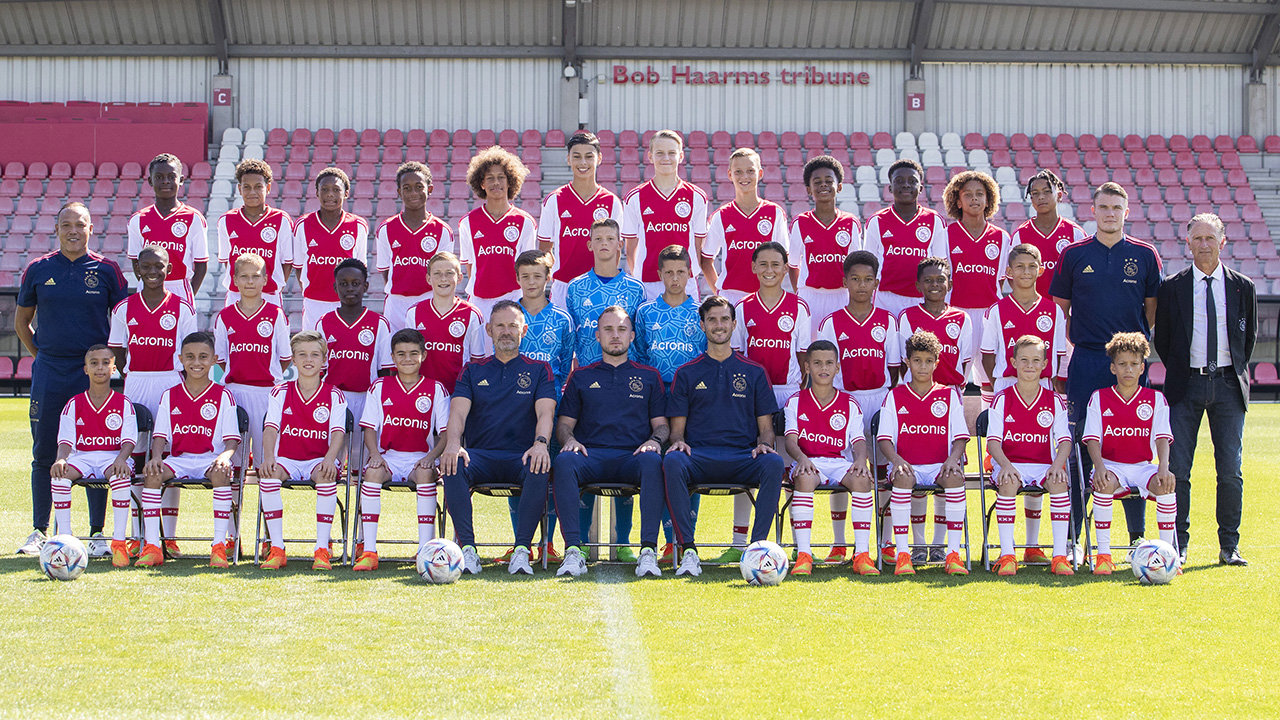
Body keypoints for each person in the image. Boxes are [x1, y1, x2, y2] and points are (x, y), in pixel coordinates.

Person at [1050, 181, 1162, 548]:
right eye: (1104, 207)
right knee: (1081, 443)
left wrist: (1130, 352)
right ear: (1093, 211)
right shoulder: (1074, 254)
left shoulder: (1145, 255)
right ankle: (1073, 538)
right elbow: (1059, 312)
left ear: (1126, 212)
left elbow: (1151, 311)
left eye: (1116, 208)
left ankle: (1136, 538)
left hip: (1129, 361)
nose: (1110, 213)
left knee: (1132, 444)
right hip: (1087, 359)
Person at [15, 202, 129, 556]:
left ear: (91, 228)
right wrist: (43, 356)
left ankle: (96, 533)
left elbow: (123, 321)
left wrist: (106, 364)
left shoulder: (107, 270)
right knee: (44, 450)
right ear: (57, 229)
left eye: (80, 225)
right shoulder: (38, 269)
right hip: (51, 371)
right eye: (67, 225)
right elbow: (22, 323)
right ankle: (39, 530)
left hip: (93, 374)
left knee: (99, 449)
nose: (73, 231)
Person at [1154, 213, 1257, 566]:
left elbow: (1248, 337)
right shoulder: (1172, 287)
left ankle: (1229, 545)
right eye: (1197, 238)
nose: (1204, 245)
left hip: (1228, 385)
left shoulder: (1243, 286)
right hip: (1185, 385)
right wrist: (1185, 370)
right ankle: (1178, 544)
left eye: (1210, 238)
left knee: (1230, 470)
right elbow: (1164, 340)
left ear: (1222, 242)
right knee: (1179, 469)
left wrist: (1229, 369)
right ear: (1187, 243)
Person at [662, 296, 785, 577]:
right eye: (712, 320)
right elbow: (677, 431)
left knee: (773, 462)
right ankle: (688, 550)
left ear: (734, 324)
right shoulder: (687, 372)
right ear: (702, 325)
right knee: (672, 460)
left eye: (724, 319)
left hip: (742, 457)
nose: (719, 325)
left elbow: (766, 428)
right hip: (700, 457)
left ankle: (757, 551)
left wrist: (764, 445)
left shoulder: (754, 372)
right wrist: (678, 441)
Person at [439, 301, 557, 576]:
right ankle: (468, 550)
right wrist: (453, 444)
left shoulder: (540, 369)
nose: (506, 331)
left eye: (512, 326)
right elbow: (457, 413)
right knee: (453, 463)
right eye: (500, 326)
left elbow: (546, 412)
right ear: (489, 330)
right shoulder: (472, 369)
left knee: (540, 464)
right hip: (480, 456)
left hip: (521, 456)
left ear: (523, 331)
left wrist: (540, 444)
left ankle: (522, 550)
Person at [552, 306, 668, 578]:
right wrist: (569, 440)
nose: (615, 335)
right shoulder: (581, 376)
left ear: (632, 336)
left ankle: (648, 551)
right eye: (608, 329)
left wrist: (654, 441)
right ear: (597, 335)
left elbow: (662, 425)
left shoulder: (649, 376)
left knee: (653, 461)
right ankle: (573, 550)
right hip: (591, 456)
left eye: (621, 329)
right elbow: (564, 425)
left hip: (633, 457)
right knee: (565, 460)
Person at [108, 244, 197, 557]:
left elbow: (190, 354)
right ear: (136, 269)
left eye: (159, 266)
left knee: (167, 458)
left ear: (169, 269)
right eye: (145, 266)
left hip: (170, 382)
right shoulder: (123, 309)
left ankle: (168, 536)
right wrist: (132, 373)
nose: (152, 272)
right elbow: (117, 350)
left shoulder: (183, 308)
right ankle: (137, 534)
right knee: (135, 457)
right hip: (136, 383)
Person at [565, 218, 646, 558]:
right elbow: (571, 338)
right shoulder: (575, 288)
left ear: (619, 245)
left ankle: (623, 542)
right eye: (597, 238)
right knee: (584, 456)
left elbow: (639, 339)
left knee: (626, 454)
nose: (603, 244)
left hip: (625, 383)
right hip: (587, 384)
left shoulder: (636, 288)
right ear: (589, 244)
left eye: (610, 238)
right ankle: (582, 542)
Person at [814, 250, 901, 563]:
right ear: (845, 282)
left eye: (868, 280)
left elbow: (894, 368)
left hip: (878, 399)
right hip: (843, 402)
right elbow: (825, 367)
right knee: (843, 468)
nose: (861, 285)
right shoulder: (831, 322)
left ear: (876, 283)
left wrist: (883, 399)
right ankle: (840, 543)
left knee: (882, 471)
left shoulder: (888, 321)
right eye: (855, 279)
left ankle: (886, 542)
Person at [725, 241, 809, 561]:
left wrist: (798, 398)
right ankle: (739, 542)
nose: (770, 270)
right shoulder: (743, 307)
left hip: (787, 393)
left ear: (786, 268)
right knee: (751, 464)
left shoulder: (799, 307)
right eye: (763, 264)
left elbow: (803, 358)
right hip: (751, 396)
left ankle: (792, 543)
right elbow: (737, 356)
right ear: (753, 267)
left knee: (788, 469)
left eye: (776, 264)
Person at [138, 332, 241, 568]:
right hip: (179, 459)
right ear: (180, 359)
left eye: (203, 357)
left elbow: (232, 441)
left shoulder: (224, 395)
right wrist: (156, 457)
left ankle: (218, 546)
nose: (196, 362)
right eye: (190, 357)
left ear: (213, 360)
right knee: (152, 473)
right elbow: (160, 436)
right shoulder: (170, 395)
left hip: (211, 459)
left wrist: (224, 457)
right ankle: (153, 546)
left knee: (221, 472)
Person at [633, 244, 707, 561]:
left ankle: (683, 539)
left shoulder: (701, 312)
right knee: (658, 468)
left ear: (690, 274)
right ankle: (665, 541)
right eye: (669, 272)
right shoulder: (646, 313)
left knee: (684, 465)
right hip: (655, 397)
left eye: (681, 272)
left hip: (692, 400)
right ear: (659, 274)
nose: (675, 278)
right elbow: (639, 355)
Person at [1082, 332, 1177, 576]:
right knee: (1103, 484)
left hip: (1143, 466)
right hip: (1111, 465)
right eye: (1122, 364)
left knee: (1166, 484)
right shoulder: (1099, 398)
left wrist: (1163, 467)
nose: (1128, 369)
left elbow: (1162, 437)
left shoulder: (1156, 399)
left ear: (1142, 368)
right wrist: (1099, 467)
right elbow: (1092, 439)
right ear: (1113, 367)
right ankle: (1104, 556)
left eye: (1134, 364)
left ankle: (1168, 556)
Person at [355, 329, 450, 571]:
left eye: (413, 353)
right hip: (389, 457)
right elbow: (369, 429)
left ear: (423, 355)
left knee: (425, 474)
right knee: (372, 472)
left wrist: (430, 457)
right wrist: (375, 455)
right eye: (401, 354)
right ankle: (369, 551)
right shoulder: (379, 386)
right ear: (393, 358)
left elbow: (445, 435)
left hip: (420, 458)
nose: (407, 359)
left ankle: (425, 551)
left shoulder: (436, 389)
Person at [877, 330, 970, 576]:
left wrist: (952, 460)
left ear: (936, 363)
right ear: (907, 362)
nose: (922, 366)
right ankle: (903, 554)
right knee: (902, 478)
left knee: (955, 477)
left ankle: (952, 554)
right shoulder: (894, 396)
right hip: (907, 465)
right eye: (917, 360)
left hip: (939, 464)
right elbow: (884, 439)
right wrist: (897, 460)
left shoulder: (949, 395)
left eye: (928, 361)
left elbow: (961, 437)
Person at [782, 340, 876, 576]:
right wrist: (802, 458)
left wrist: (860, 460)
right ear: (807, 367)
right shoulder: (795, 401)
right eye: (817, 363)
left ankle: (862, 555)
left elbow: (858, 441)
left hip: (838, 463)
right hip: (809, 461)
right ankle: (804, 555)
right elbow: (791, 441)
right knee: (804, 478)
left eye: (828, 363)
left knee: (862, 480)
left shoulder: (849, 403)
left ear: (837, 367)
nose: (823, 368)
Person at [258, 330, 348, 570]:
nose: (309, 360)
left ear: (324, 360)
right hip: (287, 458)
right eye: (302, 355)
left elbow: (338, 433)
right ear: (293, 360)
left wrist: (330, 459)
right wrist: (269, 457)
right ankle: (277, 548)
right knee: (268, 474)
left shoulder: (334, 394)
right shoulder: (280, 391)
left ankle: (322, 549)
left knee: (325, 476)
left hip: (319, 458)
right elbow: (270, 428)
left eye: (315, 355)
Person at [985, 336, 1074, 576]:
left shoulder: (1054, 400)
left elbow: (1065, 440)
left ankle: (1059, 556)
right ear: (1013, 362)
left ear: (1045, 364)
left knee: (1059, 481)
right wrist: (1005, 466)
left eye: (1036, 360)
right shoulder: (1002, 398)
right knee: (1008, 481)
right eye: (1024, 360)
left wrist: (1057, 465)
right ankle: (1007, 555)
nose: (1030, 365)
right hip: (1010, 463)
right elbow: (993, 442)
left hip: (1043, 463)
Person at [506, 249, 573, 562]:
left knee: (550, 473)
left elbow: (565, 364)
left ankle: (548, 541)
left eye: (537, 276)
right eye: (525, 276)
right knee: (519, 472)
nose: (531, 282)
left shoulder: (561, 319)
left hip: (551, 406)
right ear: (517, 279)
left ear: (548, 278)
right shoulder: (508, 314)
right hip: (514, 406)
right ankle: (520, 541)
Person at [49, 346, 138, 568]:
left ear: (114, 369)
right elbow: (65, 441)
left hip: (113, 456)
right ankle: (65, 542)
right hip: (83, 456)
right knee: (59, 476)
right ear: (86, 369)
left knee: (120, 475)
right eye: (94, 363)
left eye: (106, 363)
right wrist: (61, 459)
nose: (100, 367)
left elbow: (129, 441)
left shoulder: (123, 403)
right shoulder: (74, 403)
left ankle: (119, 543)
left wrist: (121, 459)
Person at [212, 252, 291, 474]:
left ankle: (265, 498)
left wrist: (265, 375)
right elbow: (221, 360)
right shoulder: (225, 316)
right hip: (235, 392)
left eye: (255, 276)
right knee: (234, 459)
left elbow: (285, 358)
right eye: (244, 276)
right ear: (234, 280)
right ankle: (234, 498)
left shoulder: (276, 314)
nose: (249, 281)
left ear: (265, 280)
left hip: (267, 393)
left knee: (266, 460)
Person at [942, 169, 1009, 402]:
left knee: (991, 378)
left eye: (980, 194)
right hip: (956, 314)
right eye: (967, 194)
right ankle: (953, 422)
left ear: (988, 199)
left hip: (990, 315)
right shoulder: (946, 235)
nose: (974, 199)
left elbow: (1000, 280)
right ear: (957, 201)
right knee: (954, 377)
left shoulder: (1002, 237)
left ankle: (990, 423)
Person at [537, 131, 624, 307]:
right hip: (564, 287)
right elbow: (544, 249)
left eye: (589, 156)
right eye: (577, 156)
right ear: (568, 159)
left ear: (599, 158)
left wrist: (608, 282)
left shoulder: (611, 201)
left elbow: (616, 249)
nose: (583, 162)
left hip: (600, 285)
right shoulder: (554, 200)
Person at [622, 129, 709, 301]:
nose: (666, 158)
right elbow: (630, 249)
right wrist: (638, 275)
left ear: (681, 156)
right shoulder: (635, 197)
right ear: (650, 156)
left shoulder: (697, 196)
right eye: (660, 153)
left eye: (671, 153)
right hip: (648, 283)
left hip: (686, 283)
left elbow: (698, 244)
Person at [456, 146, 537, 327]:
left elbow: (528, 266)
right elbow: (470, 266)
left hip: (513, 297)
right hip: (479, 300)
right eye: (490, 178)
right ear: (482, 184)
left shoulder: (525, 222)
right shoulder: (467, 222)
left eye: (501, 177)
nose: (496, 183)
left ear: (510, 182)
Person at [699, 148, 793, 303]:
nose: (744, 177)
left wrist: (771, 289)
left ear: (760, 173)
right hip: (730, 296)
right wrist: (719, 292)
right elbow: (706, 259)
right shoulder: (721, 216)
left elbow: (784, 258)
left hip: (764, 295)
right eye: (738, 172)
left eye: (750, 171)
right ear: (730, 175)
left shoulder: (774, 212)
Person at [862, 159, 948, 317]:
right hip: (885, 298)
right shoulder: (876, 221)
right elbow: (868, 265)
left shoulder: (935, 220)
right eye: (899, 181)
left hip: (922, 298)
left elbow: (940, 264)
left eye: (912, 181)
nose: (906, 185)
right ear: (890, 188)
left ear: (920, 188)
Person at [375, 161, 455, 331]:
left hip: (429, 301)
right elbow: (385, 270)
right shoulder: (386, 229)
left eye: (419, 187)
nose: (413, 193)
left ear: (430, 189)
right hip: (396, 305)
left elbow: (445, 272)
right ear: (399, 192)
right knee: (396, 347)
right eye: (407, 188)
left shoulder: (442, 230)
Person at [313, 258, 393, 426]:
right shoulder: (324, 322)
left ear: (365, 286)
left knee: (364, 443)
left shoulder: (379, 323)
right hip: (332, 397)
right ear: (335, 287)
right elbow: (319, 370)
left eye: (355, 284)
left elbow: (385, 371)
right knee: (335, 443)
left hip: (367, 398)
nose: (350, 288)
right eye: (343, 284)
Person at [980, 244, 1067, 396]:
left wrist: (1047, 385)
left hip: (1042, 384)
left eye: (1032, 266)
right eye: (1020, 266)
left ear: (1040, 270)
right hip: (1006, 384)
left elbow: (1057, 356)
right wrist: (1000, 388)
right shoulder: (996, 311)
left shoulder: (1055, 311)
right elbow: (988, 356)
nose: (1026, 272)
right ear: (1009, 271)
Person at [790, 155, 863, 332]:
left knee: (841, 343)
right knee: (808, 344)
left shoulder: (850, 222)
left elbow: (856, 265)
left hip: (841, 296)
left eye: (829, 181)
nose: (823, 185)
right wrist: (800, 294)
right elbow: (793, 265)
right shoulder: (800, 222)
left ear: (839, 186)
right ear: (809, 189)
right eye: (817, 182)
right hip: (810, 296)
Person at [292, 167, 370, 329]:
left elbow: (360, 268)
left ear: (346, 193)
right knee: (314, 344)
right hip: (314, 303)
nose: (330, 194)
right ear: (317, 193)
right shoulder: (303, 225)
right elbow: (299, 266)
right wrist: (311, 290)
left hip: (345, 303)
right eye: (325, 189)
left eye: (336, 190)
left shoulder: (358, 225)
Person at [127, 153, 208, 304]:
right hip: (147, 289)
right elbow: (136, 262)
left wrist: (188, 296)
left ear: (181, 180)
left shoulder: (194, 218)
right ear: (150, 181)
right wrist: (150, 285)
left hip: (180, 287)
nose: (165, 181)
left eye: (171, 177)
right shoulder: (137, 220)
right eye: (159, 177)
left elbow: (201, 265)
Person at [404, 252, 486, 394]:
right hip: (423, 394)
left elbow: (477, 361)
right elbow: (409, 356)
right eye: (437, 274)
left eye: (449, 273)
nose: (443, 279)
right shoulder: (414, 312)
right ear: (428, 278)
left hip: (458, 393)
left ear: (459, 277)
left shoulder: (472, 314)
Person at [216, 158, 294, 307]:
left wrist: (274, 287)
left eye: (258, 186)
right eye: (247, 187)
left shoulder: (281, 220)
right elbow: (227, 261)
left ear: (268, 187)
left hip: (269, 295)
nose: (252, 192)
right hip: (236, 295)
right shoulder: (226, 220)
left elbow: (287, 262)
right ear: (240, 189)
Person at [1012, 170, 1087, 297]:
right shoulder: (1021, 234)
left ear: (1059, 195)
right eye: (1035, 193)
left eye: (1046, 191)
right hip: (1032, 306)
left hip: (1065, 307)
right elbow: (1013, 277)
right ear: (1031, 199)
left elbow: (1083, 275)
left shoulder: (1075, 233)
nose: (1041, 197)